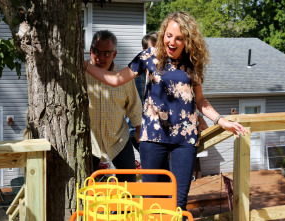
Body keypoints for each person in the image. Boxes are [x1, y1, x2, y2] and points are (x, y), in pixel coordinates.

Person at [83, 12, 247, 210]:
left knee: (178, 204)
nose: (172, 41)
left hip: (184, 141)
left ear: (187, 40)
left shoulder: (193, 62)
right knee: (153, 202)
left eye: (179, 38)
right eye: (169, 35)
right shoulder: (148, 56)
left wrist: (222, 121)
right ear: (163, 34)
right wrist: (82, 64)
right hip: (153, 139)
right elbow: (115, 79)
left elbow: (200, 100)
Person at [86, 30, 142, 182]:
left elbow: (134, 105)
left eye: (106, 53)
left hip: (119, 139)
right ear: (90, 51)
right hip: (90, 142)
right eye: (96, 52)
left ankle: (125, 207)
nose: (100, 57)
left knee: (128, 183)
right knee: (87, 185)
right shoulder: (81, 74)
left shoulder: (123, 76)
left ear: (114, 54)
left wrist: (138, 130)